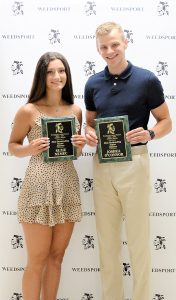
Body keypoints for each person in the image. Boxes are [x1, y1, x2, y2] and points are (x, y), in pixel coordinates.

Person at [84, 21, 172, 300]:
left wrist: (149, 133)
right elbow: (89, 124)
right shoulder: (93, 83)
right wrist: (89, 135)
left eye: (114, 45)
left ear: (125, 43)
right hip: (102, 165)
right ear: (98, 50)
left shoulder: (146, 80)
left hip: (134, 162)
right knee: (107, 243)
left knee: (137, 242)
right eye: (103, 47)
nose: (110, 51)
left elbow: (166, 121)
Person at [8, 51, 86, 300]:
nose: (56, 76)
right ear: (42, 76)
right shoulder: (28, 111)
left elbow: (73, 153)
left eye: (61, 70)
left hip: (67, 186)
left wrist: (80, 146)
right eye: (50, 71)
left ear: (67, 74)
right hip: (38, 188)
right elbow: (12, 145)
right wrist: (29, 149)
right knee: (37, 259)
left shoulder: (75, 110)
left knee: (56, 257)